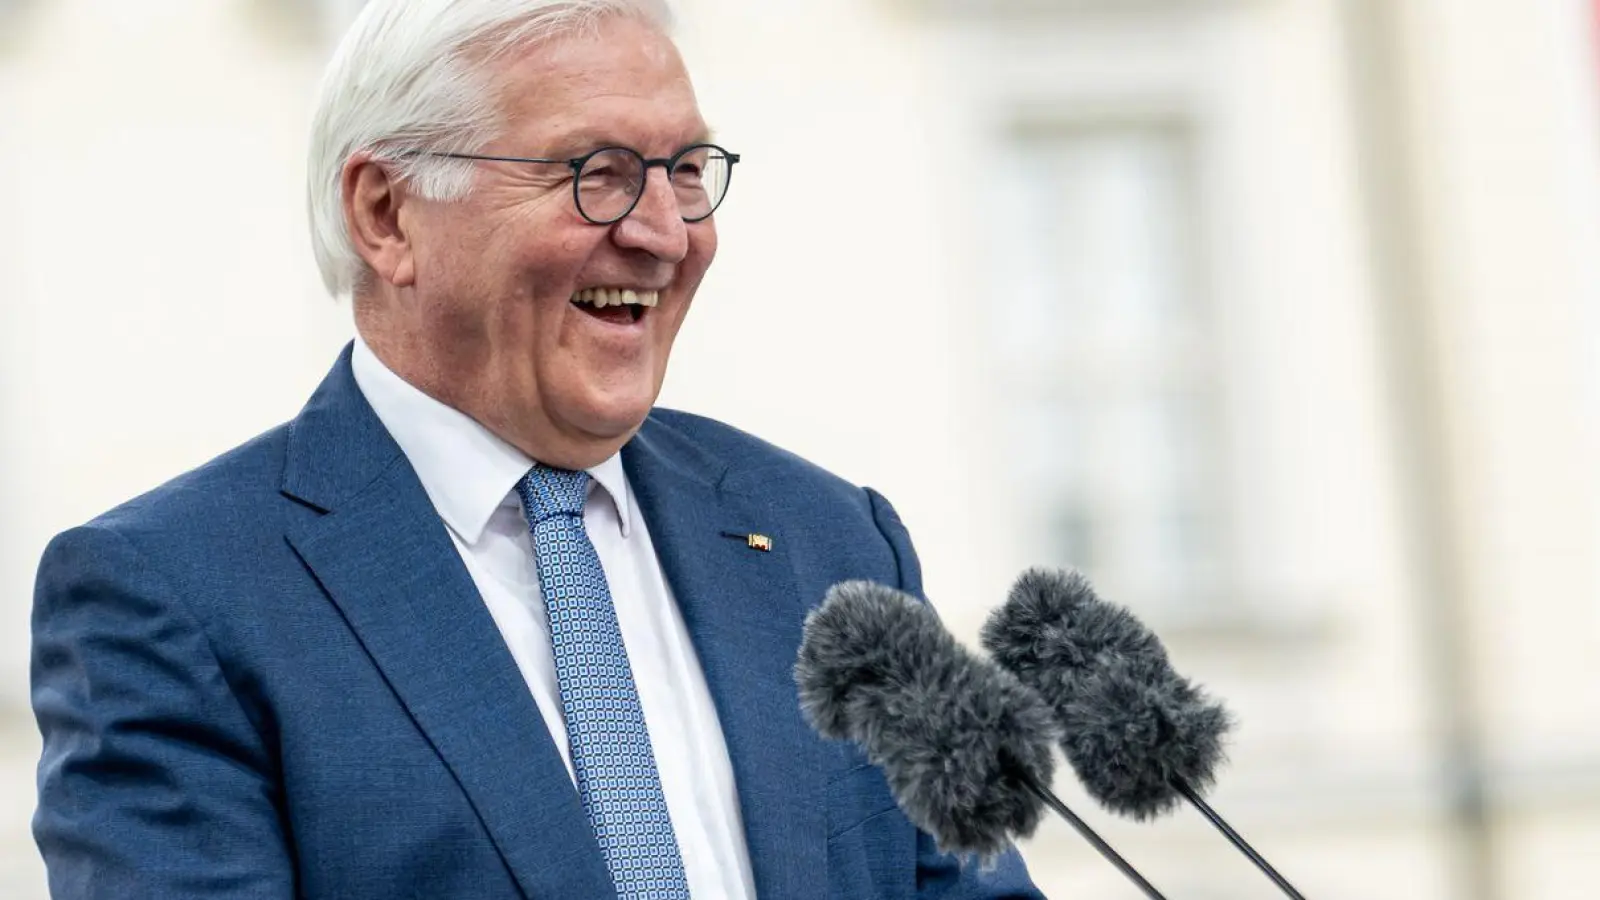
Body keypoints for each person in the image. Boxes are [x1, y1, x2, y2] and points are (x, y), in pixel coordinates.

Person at [30, 1, 1043, 897]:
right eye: (594, 174)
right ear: (386, 215)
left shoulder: (830, 543)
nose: (664, 232)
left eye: (685, 171)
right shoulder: (173, 594)